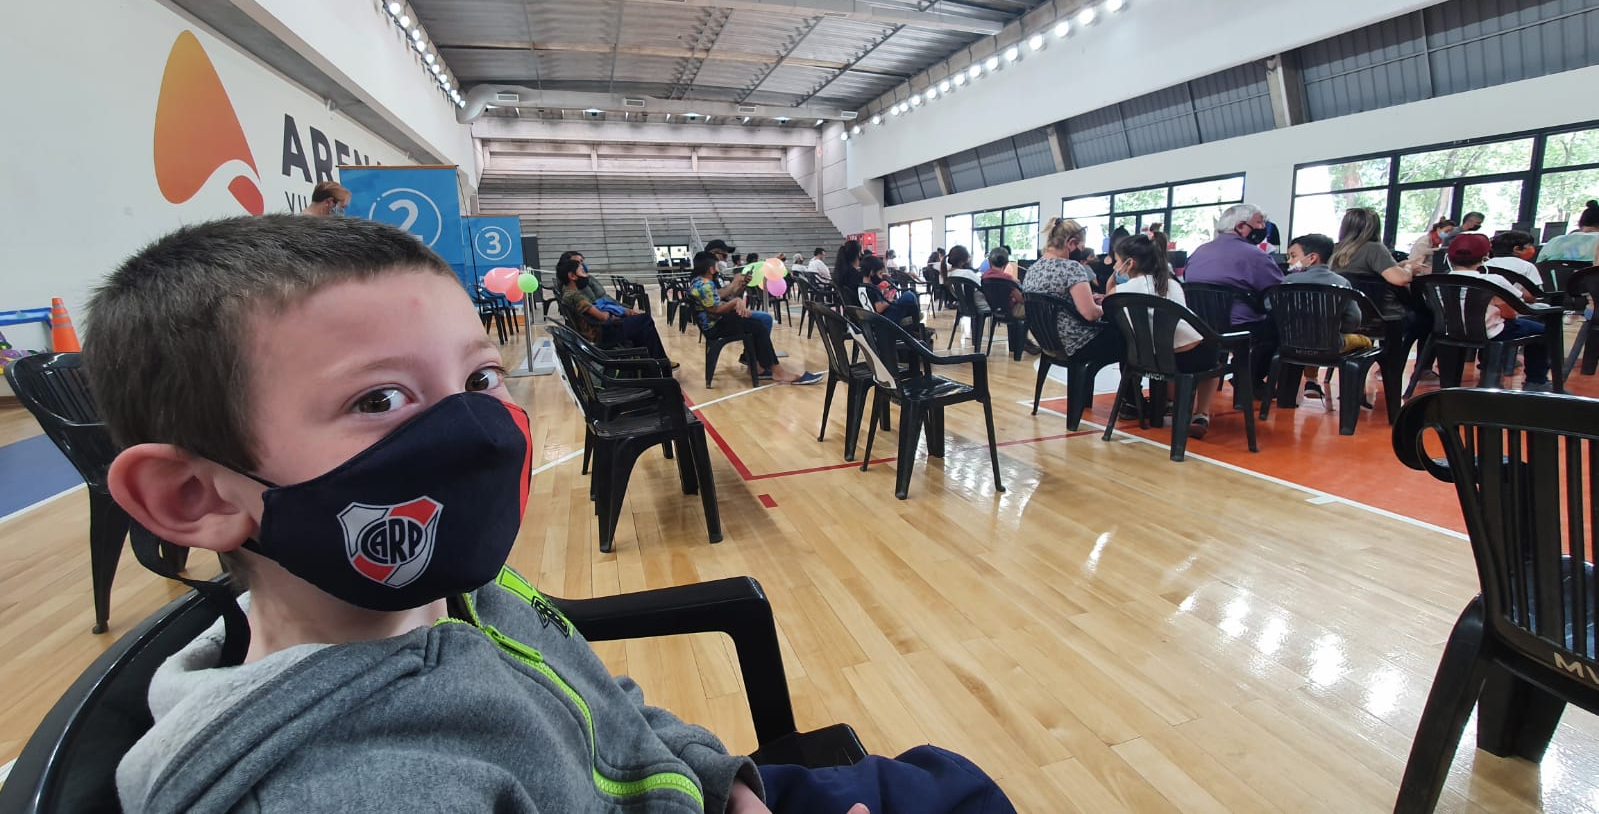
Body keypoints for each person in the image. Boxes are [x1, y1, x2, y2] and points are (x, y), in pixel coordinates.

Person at [89, 215, 1006, 813]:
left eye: (479, 378)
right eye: (379, 399)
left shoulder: (461, 587)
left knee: (953, 782)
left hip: (686, 790)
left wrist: (722, 781)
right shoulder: (351, 790)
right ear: (195, 497)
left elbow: (610, 712)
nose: (474, 429)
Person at [1105, 230, 1218, 437]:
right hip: (1186, 358)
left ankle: (1171, 403)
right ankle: (1201, 414)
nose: (1115, 266)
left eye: (1117, 261)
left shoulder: (1120, 293)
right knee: (1212, 356)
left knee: (1169, 354)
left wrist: (1111, 281)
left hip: (1142, 359)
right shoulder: (1171, 284)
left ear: (1129, 263)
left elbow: (1107, 301)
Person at [1181, 203, 1284, 389]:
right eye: (1260, 223)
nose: (1264, 228)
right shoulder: (1255, 255)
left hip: (1200, 325)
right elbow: (1278, 290)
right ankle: (1251, 380)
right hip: (1239, 327)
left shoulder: (1199, 252)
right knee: (1279, 328)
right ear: (1241, 226)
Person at [1329, 207, 1434, 380]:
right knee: (1427, 320)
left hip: (1345, 316)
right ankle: (1409, 369)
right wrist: (1409, 268)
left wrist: (1398, 266)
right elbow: (1400, 279)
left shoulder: (1334, 250)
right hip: (1379, 318)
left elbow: (1363, 274)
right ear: (1374, 227)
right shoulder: (1374, 249)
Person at [688, 251, 819, 385]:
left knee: (757, 324)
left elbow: (716, 299)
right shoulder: (705, 285)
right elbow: (714, 312)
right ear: (711, 269)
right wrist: (735, 301)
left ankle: (759, 365)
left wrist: (737, 291)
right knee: (758, 327)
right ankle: (776, 371)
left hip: (717, 322)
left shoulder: (698, 282)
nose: (718, 267)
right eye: (716, 265)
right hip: (715, 326)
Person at [1447, 232, 1552, 392]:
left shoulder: (1437, 280)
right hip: (1491, 332)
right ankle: (1536, 381)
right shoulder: (1494, 280)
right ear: (1484, 256)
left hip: (1450, 332)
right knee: (1541, 330)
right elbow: (1511, 313)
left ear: (1449, 257)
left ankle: (1484, 372)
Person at [1282, 233, 1373, 402]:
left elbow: (1270, 307)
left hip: (1290, 343)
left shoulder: (1288, 281)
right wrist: (1338, 328)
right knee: (1366, 341)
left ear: (1312, 258)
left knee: (1312, 336)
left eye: (1293, 256)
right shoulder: (1341, 283)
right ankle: (1355, 395)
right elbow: (1354, 319)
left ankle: (1311, 381)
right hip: (1331, 343)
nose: (1289, 261)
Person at [1022, 218, 1120, 370]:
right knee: (1127, 340)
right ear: (1071, 243)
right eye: (1082, 247)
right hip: (1077, 343)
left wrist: (1087, 299)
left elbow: (1056, 299)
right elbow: (1090, 314)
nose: (1082, 251)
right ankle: (1131, 386)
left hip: (1047, 342)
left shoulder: (1033, 269)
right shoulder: (1071, 267)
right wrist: (1108, 306)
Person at [556, 258, 675, 367]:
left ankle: (654, 363)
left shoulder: (568, 294)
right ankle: (660, 362)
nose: (586, 275)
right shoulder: (575, 296)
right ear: (572, 276)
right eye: (583, 272)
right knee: (645, 319)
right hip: (603, 333)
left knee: (644, 329)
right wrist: (609, 312)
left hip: (601, 328)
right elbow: (602, 316)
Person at [944, 245, 990, 317]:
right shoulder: (967, 273)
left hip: (963, 306)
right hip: (980, 305)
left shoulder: (949, 274)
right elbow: (984, 288)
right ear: (963, 260)